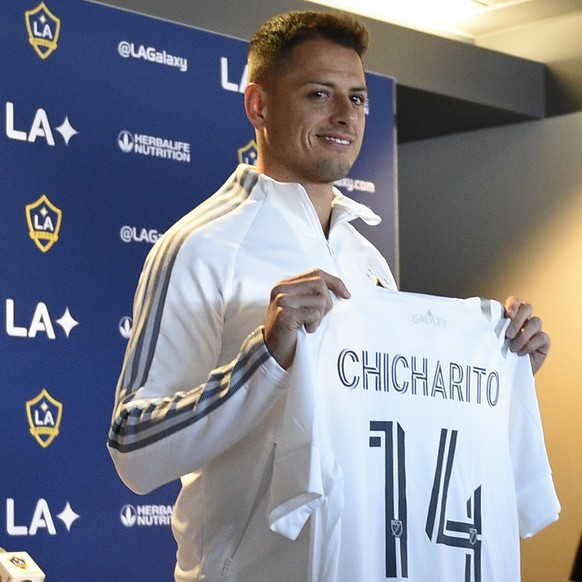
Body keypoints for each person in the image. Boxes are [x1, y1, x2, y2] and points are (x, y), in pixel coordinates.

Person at [107, 10, 550, 581]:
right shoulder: (199, 246)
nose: (346, 115)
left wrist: (497, 375)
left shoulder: (367, 259)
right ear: (258, 106)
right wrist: (266, 356)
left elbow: (396, 428)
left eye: (359, 98)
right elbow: (134, 449)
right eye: (320, 94)